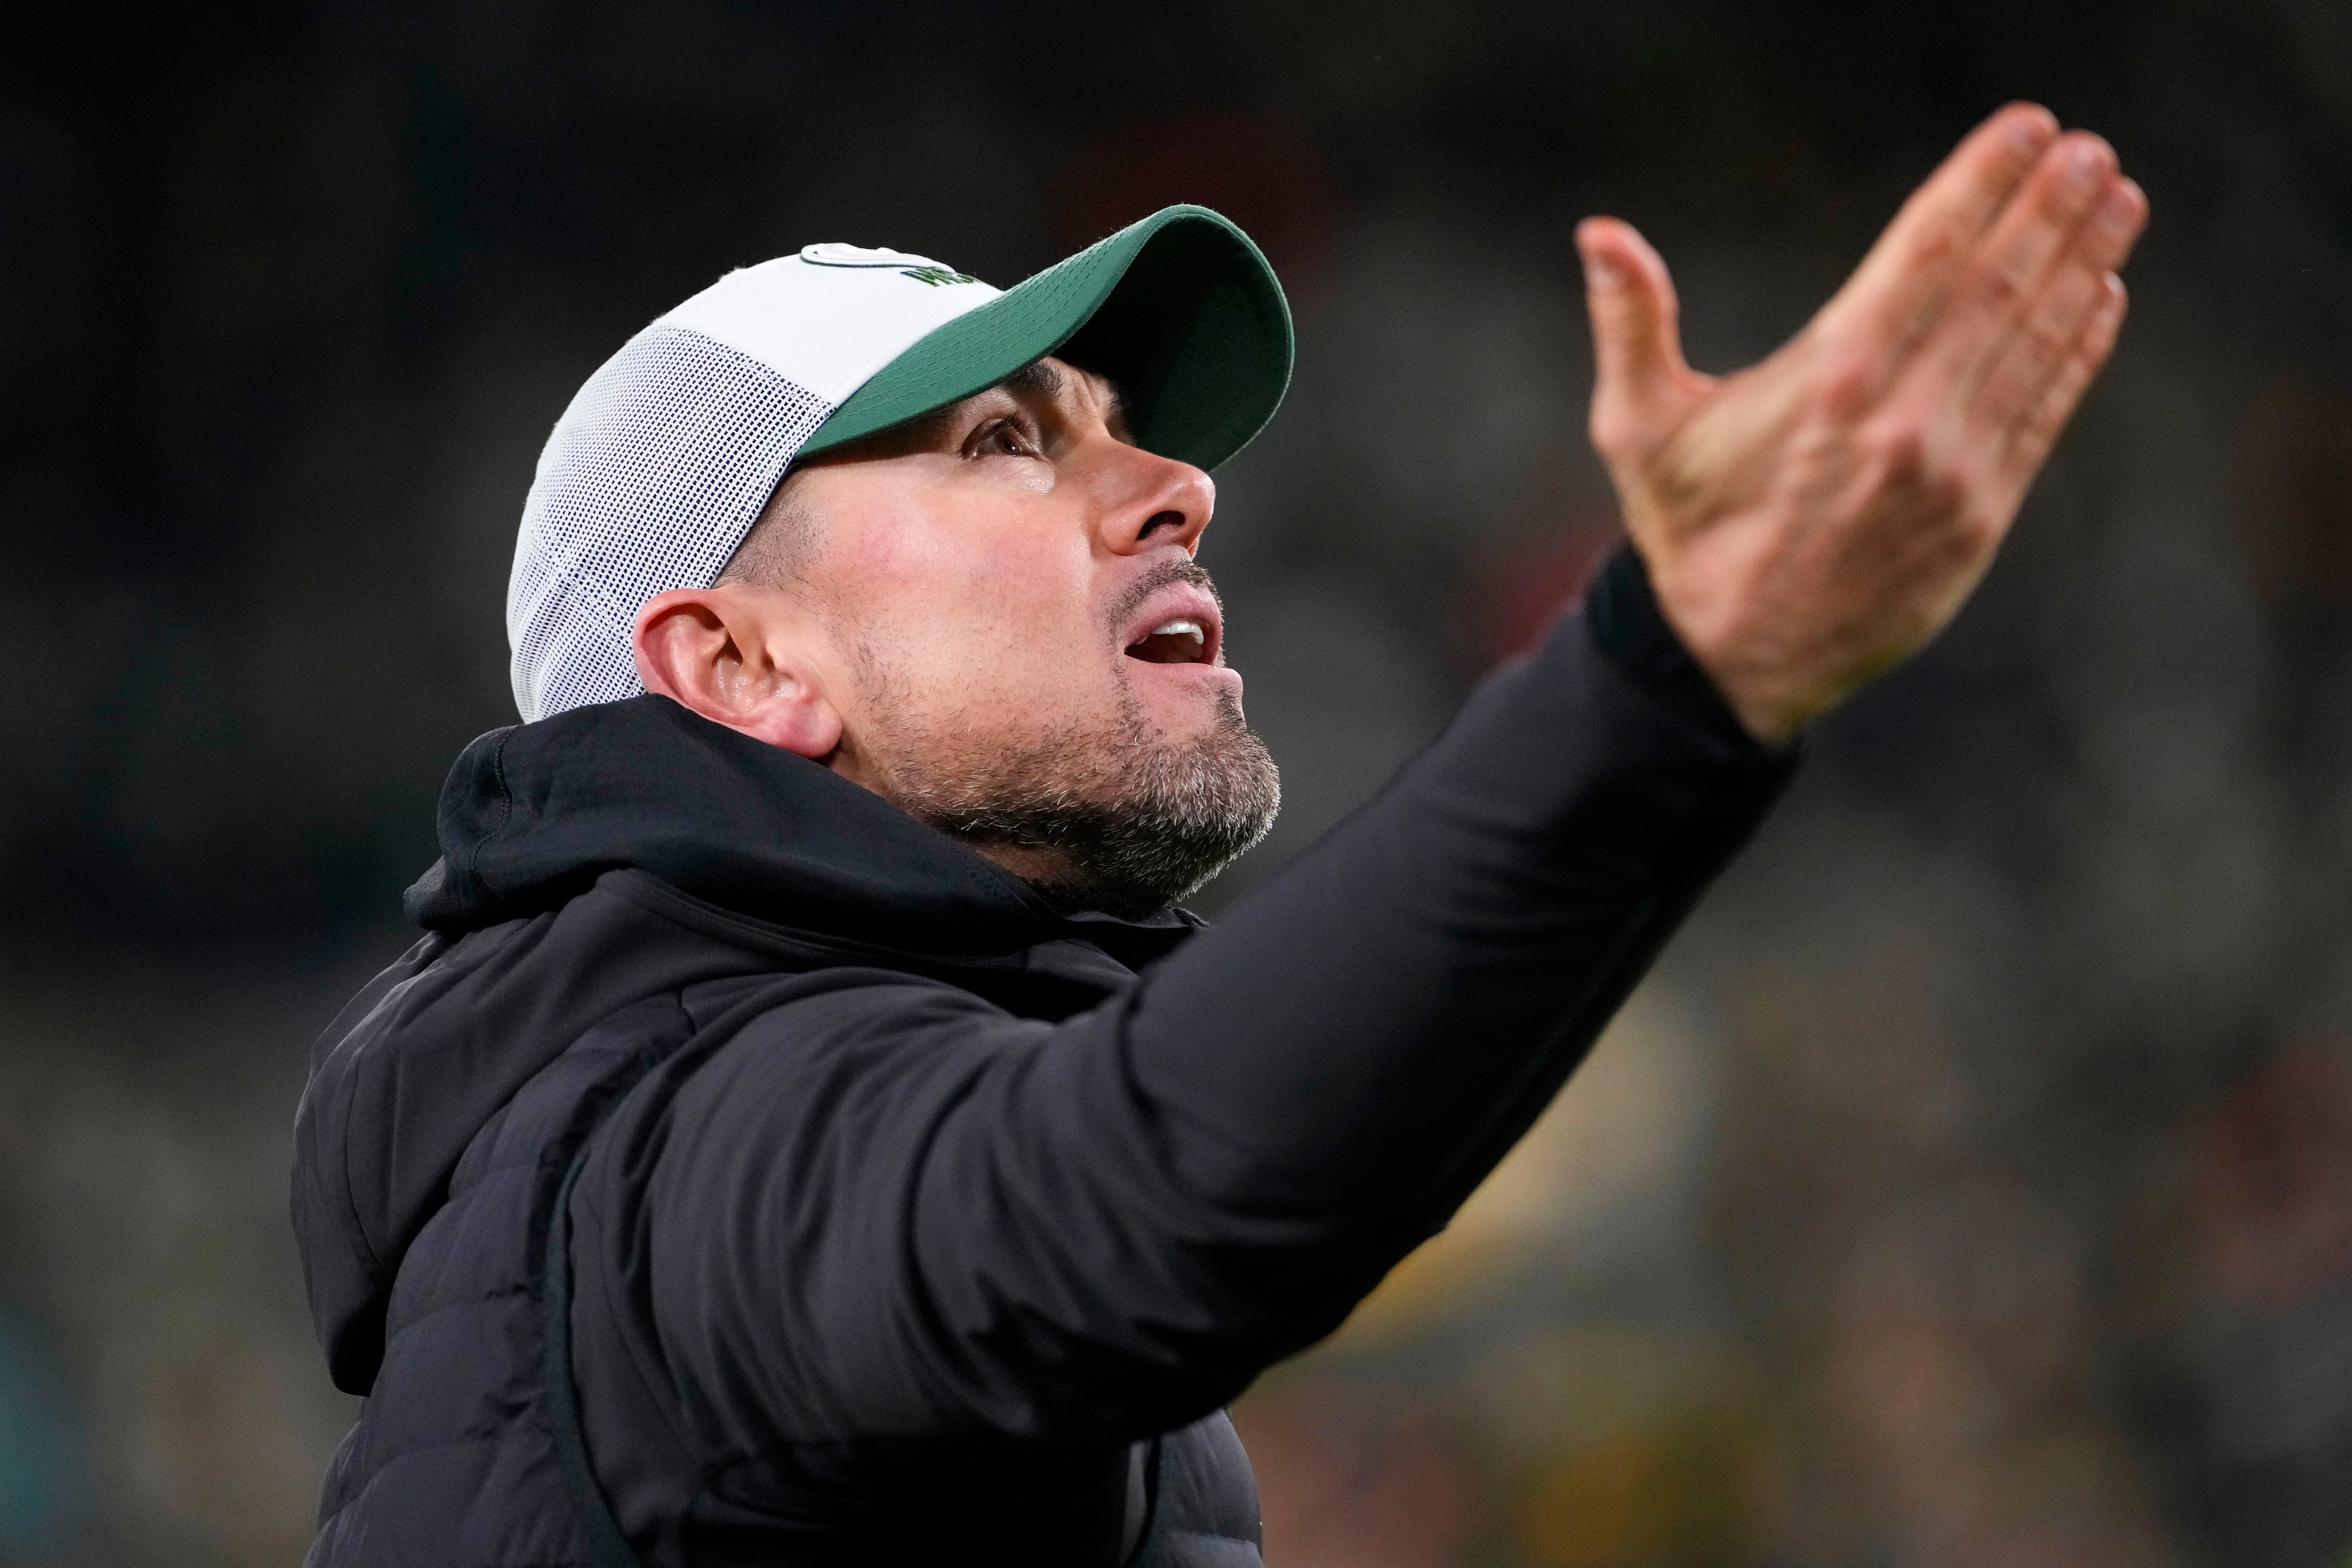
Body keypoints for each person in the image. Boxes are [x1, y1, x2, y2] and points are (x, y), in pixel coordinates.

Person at [291, 103, 2145, 1567]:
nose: (1177, 484)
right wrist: (1668, 685)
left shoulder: (686, 1111)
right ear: (739, 662)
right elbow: (1121, 1199)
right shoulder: (664, 1163)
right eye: (1006, 441)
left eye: (1117, 428)